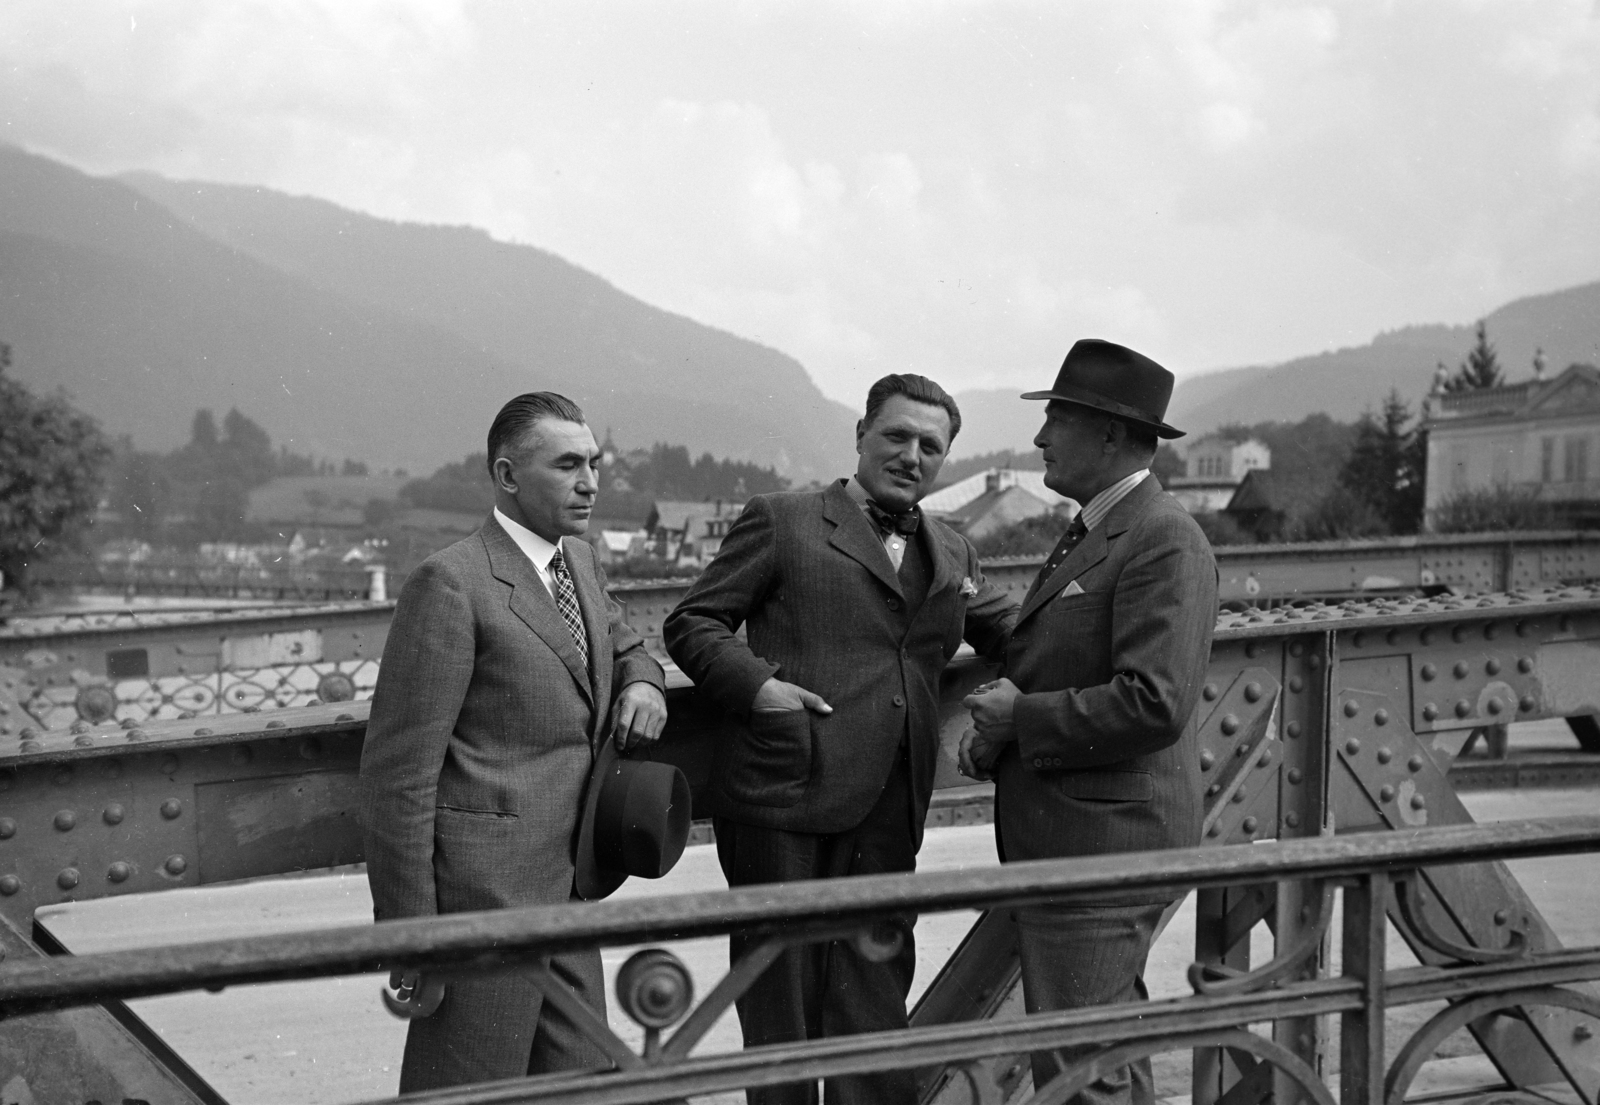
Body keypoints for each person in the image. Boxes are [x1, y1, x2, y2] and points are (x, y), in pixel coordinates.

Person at [664, 374, 1015, 1105]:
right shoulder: (783, 519)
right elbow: (694, 623)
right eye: (896, 436)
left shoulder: (954, 551)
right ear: (861, 435)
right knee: (781, 1003)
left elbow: (1023, 635)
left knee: (874, 996)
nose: (911, 455)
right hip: (781, 793)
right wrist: (758, 687)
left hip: (891, 801)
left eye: (931, 445)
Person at [358, 391, 668, 1092]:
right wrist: (413, 936)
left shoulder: (580, 561)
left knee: (584, 1088)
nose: (591, 482)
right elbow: (397, 777)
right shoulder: (451, 583)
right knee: (466, 1090)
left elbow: (626, 641)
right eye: (567, 465)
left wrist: (643, 682)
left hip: (567, 890)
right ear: (506, 474)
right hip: (481, 910)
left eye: (594, 463)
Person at [959, 339, 1218, 1105]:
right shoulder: (1105, 529)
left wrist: (1022, 717)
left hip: (1106, 846)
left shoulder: (1162, 536)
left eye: (1055, 420)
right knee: (1097, 1059)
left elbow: (1155, 700)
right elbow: (1072, 659)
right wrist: (1005, 732)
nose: (1039, 438)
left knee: (1080, 1074)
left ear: (1108, 433)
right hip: (1086, 837)